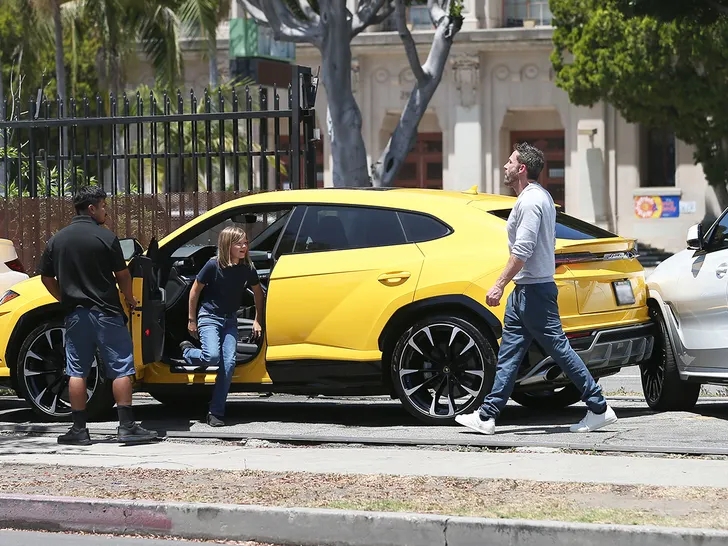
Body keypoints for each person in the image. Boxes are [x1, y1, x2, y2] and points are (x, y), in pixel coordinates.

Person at [455, 142, 617, 435]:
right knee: (510, 353)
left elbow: (523, 249)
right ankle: (488, 416)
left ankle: (599, 407)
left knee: (560, 349)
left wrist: (498, 285)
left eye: (509, 162)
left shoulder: (530, 202)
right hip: (527, 291)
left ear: (522, 168)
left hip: (534, 292)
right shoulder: (539, 197)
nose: (505, 166)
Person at [39, 185, 157, 446]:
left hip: (76, 315)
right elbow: (122, 275)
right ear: (91, 209)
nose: (106, 211)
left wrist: (63, 297)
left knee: (77, 371)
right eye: (103, 206)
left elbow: (46, 277)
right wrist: (128, 296)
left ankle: (79, 429)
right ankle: (126, 427)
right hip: (106, 314)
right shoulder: (106, 238)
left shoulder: (57, 240)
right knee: (121, 368)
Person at [182, 225, 264, 427]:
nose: (244, 246)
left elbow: (259, 293)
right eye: (239, 243)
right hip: (209, 316)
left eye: (246, 243)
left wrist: (258, 319)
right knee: (212, 357)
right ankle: (187, 352)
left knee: (228, 364)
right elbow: (194, 291)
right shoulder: (213, 265)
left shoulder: (247, 268)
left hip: (229, 320)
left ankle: (215, 412)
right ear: (228, 245)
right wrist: (192, 319)